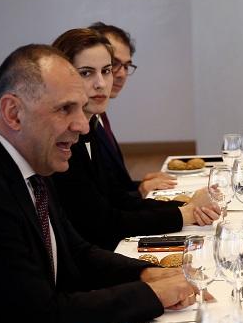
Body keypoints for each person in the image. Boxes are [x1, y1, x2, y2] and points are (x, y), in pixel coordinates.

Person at [0, 45, 200, 323]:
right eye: (65, 109)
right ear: (13, 112)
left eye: (81, 109)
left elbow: (77, 252)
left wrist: (145, 273)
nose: (83, 125)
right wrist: (150, 295)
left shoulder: (28, 164)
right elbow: (40, 320)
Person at [50, 29, 218, 250]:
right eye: (86, 73)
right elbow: (101, 224)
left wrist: (187, 207)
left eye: (106, 71)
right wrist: (184, 213)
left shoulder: (89, 128)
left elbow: (117, 198)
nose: (101, 83)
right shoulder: (63, 141)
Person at [88, 21, 176, 197]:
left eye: (126, 66)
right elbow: (91, 203)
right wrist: (139, 193)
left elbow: (111, 185)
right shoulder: (80, 123)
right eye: (114, 63)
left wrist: (140, 186)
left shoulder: (99, 115)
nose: (121, 74)